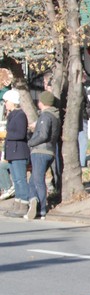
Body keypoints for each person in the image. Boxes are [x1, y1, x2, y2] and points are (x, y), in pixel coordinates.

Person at [24, 91, 61, 220]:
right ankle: (33, 201)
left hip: (40, 151)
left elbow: (43, 135)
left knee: (38, 180)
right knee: (33, 179)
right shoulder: (55, 116)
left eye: (40, 100)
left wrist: (30, 143)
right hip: (50, 151)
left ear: (44, 103)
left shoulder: (45, 115)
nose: (38, 102)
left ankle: (42, 209)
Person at [2, 89, 30, 208]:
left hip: (19, 152)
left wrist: (6, 134)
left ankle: (24, 202)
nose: (5, 103)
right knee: (16, 179)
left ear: (13, 101)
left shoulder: (20, 115)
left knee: (20, 179)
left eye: (6, 101)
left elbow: (20, 134)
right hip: (12, 152)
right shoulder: (12, 115)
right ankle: (18, 202)